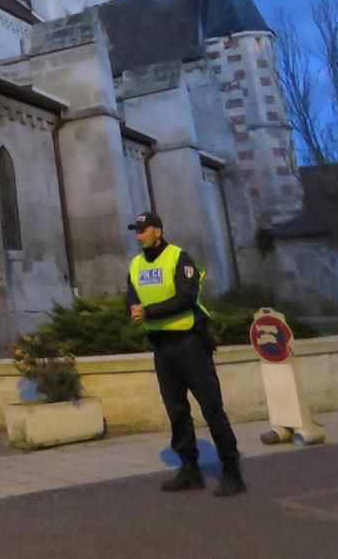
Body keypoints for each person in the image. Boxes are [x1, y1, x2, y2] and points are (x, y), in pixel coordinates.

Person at [125, 212, 246, 497]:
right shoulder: (136, 264)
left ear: (158, 230)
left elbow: (186, 297)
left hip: (190, 342)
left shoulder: (179, 257)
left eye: (143, 230)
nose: (139, 235)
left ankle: (232, 470)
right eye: (136, 231)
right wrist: (132, 307)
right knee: (176, 410)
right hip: (162, 346)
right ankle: (189, 470)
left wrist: (148, 312)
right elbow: (131, 293)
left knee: (211, 407)